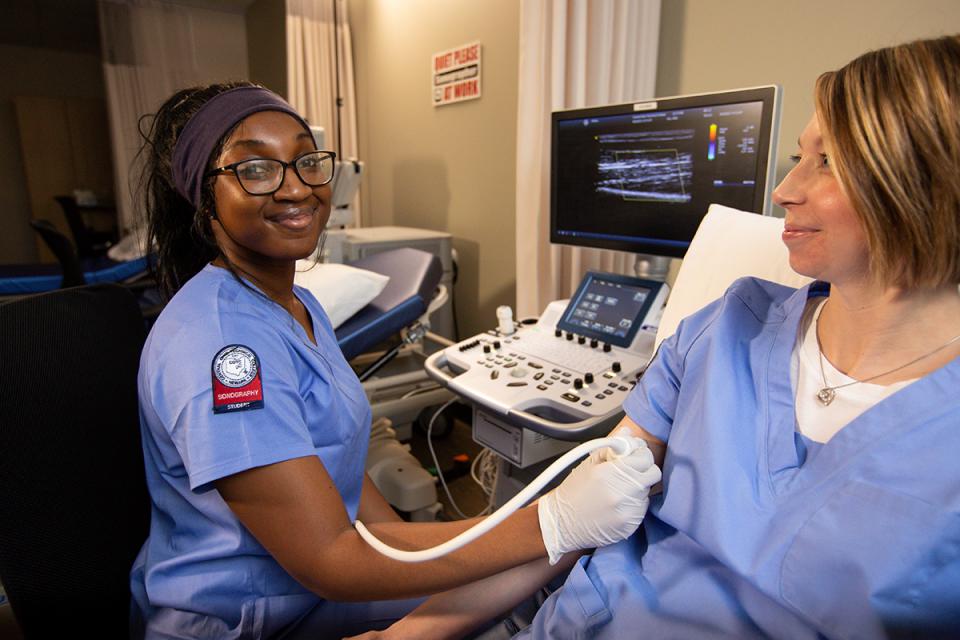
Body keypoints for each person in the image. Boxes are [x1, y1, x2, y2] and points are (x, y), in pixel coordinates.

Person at [364, 34, 960, 639]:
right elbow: (578, 524)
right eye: (796, 158)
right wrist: (401, 636)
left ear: (933, 182)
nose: (784, 192)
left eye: (828, 161)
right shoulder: (727, 326)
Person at [128, 81, 662, 639]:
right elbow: (330, 560)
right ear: (203, 195)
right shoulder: (222, 347)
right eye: (256, 169)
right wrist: (552, 522)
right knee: (521, 583)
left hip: (306, 590)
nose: (295, 189)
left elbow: (343, 479)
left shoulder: (296, 302)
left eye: (306, 161)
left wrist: (456, 547)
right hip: (242, 616)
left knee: (516, 580)